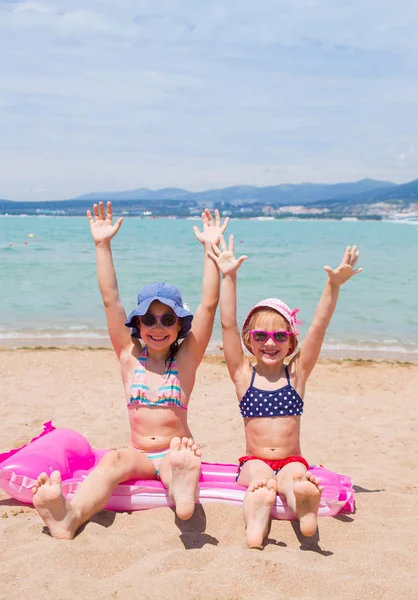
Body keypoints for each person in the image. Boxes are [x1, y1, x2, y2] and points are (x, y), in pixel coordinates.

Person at [32, 201, 228, 540]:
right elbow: (111, 299)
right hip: (138, 453)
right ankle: (69, 517)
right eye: (149, 318)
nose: (158, 326)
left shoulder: (185, 360)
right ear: (137, 323)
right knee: (111, 462)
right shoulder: (128, 354)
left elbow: (209, 305)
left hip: (174, 451)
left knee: (177, 463)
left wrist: (211, 250)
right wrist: (102, 245)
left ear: (179, 325)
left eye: (168, 319)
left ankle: (182, 491)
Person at [208, 236, 362, 548]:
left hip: (293, 459)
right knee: (260, 478)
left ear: (291, 342)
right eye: (261, 335)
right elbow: (226, 325)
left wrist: (333, 286)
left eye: (280, 336)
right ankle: (256, 523)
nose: (270, 342)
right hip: (254, 459)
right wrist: (229, 277)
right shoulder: (242, 375)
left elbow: (317, 329)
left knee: (294, 478)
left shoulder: (297, 374)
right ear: (248, 340)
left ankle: (304, 505)